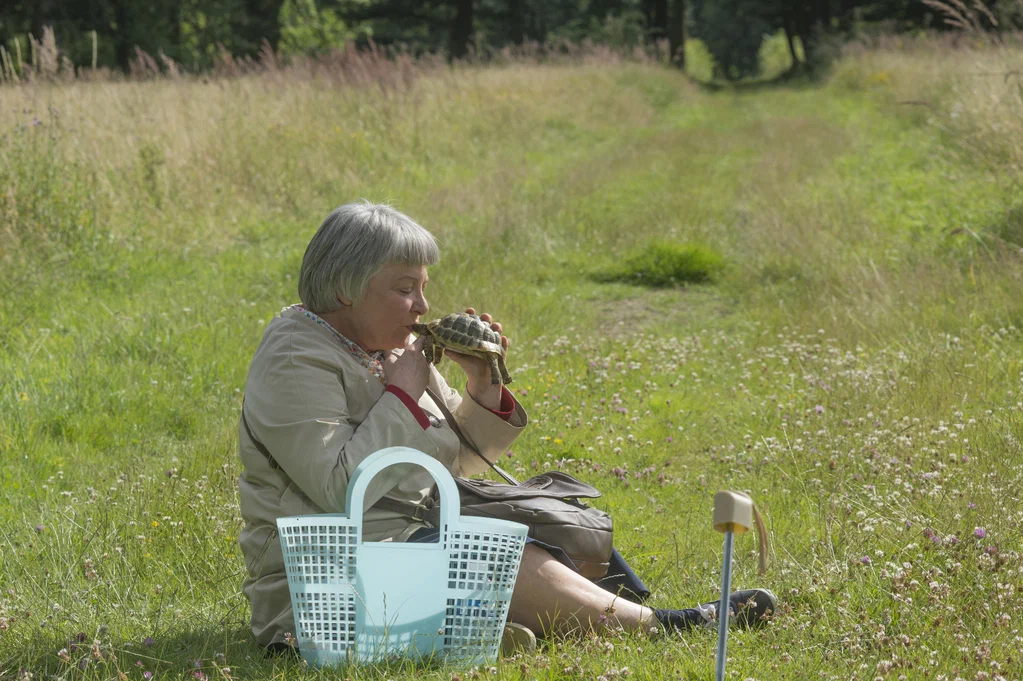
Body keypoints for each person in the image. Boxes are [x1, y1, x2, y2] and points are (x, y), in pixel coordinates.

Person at [236, 202, 776, 655]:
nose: (423, 306)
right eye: (405, 289)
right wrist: (401, 394)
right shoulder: (293, 358)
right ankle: (664, 626)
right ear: (347, 288)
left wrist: (482, 384)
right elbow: (337, 490)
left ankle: (527, 623)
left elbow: (459, 463)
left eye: (424, 288)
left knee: (551, 522)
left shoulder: (388, 348)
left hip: (401, 541)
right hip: (324, 585)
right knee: (495, 552)